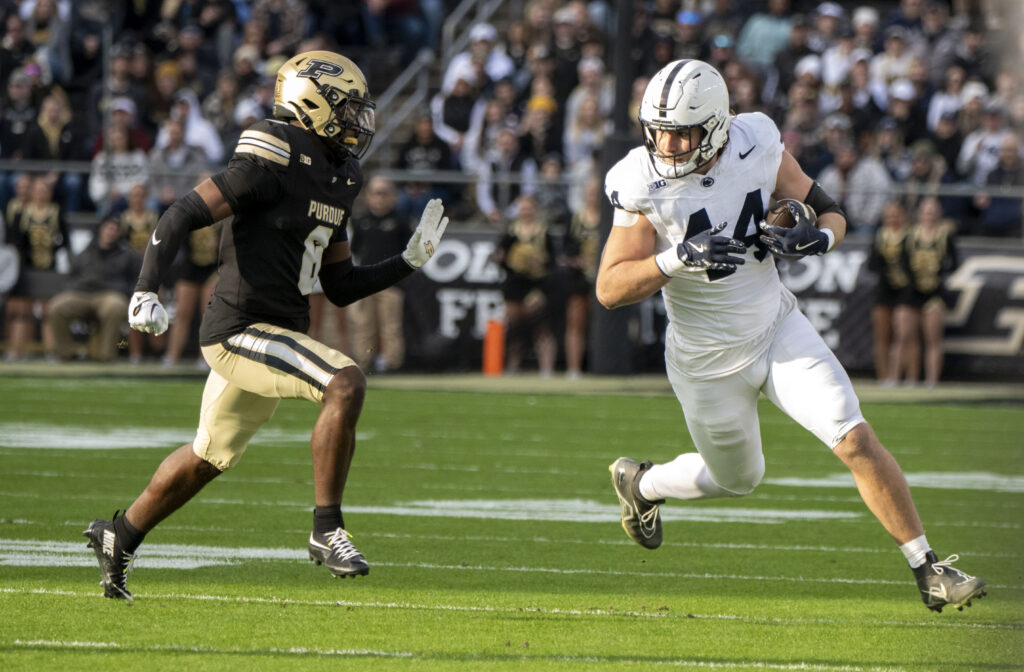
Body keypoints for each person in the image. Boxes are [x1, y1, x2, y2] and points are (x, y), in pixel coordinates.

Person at [597, 59, 985, 613]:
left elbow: (829, 210)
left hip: (777, 326)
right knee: (738, 478)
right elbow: (610, 288)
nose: (666, 143)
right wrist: (676, 256)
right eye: (658, 130)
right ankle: (645, 486)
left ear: (715, 126)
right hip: (705, 361)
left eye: (680, 132)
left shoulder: (755, 138)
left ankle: (928, 568)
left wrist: (818, 240)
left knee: (852, 435)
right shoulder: (639, 179)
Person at [82, 51, 449, 600]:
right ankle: (328, 529)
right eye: (348, 110)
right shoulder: (274, 151)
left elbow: (341, 284)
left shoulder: (341, 173)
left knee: (208, 457)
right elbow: (181, 212)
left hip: (277, 330)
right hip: (238, 328)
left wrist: (407, 261)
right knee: (344, 382)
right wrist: (145, 287)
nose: (358, 122)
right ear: (310, 103)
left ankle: (121, 535)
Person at [47, 217, 141, 362]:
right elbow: (72, 276)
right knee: (56, 307)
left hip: (110, 294)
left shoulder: (127, 255)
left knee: (115, 306)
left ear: (119, 233)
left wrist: (128, 294)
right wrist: (71, 288)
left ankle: (106, 356)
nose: (111, 232)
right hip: (82, 293)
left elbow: (136, 280)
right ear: (100, 230)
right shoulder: (86, 252)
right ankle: (65, 354)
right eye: (108, 228)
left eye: (115, 229)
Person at [348, 176, 411, 373]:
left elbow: (407, 251)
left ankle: (392, 365)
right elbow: (355, 249)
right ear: (368, 196)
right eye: (376, 193)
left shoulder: (401, 221)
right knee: (363, 325)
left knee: (390, 326)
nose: (380, 198)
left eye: (384, 193)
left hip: (391, 282)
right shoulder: (360, 220)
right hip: (365, 281)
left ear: (393, 196)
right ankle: (363, 364)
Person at [894, 197, 958, 388]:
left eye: (932, 211)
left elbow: (954, 262)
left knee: (933, 339)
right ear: (920, 214)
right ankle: (909, 378)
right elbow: (902, 261)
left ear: (938, 214)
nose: (929, 215)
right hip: (912, 291)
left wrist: (938, 273)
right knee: (906, 335)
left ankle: (931, 381)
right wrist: (912, 277)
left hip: (934, 292)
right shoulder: (911, 235)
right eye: (926, 211)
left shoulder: (944, 236)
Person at [494, 193, 556, 376]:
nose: (526, 212)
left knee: (540, 327)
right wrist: (504, 259)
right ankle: (513, 366)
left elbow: (552, 262)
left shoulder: (543, 232)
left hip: (536, 284)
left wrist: (539, 264)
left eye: (529, 208)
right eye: (523, 208)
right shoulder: (511, 232)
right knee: (515, 328)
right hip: (514, 284)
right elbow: (500, 258)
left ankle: (547, 368)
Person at [867, 201, 911, 385]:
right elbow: (871, 265)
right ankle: (883, 377)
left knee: (902, 334)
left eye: (896, 214)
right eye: (889, 215)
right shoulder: (879, 236)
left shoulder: (910, 236)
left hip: (905, 289)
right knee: (882, 335)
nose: (892, 218)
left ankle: (897, 376)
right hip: (884, 289)